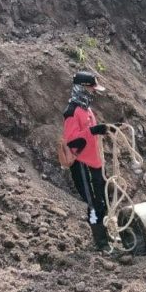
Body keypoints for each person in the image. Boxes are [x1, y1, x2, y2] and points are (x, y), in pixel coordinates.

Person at [62, 71, 112, 252]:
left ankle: (105, 235)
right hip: (83, 165)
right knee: (93, 205)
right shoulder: (72, 112)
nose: (94, 92)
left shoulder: (86, 109)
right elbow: (72, 142)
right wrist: (92, 132)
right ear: (82, 88)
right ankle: (101, 242)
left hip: (95, 163)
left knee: (104, 199)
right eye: (92, 88)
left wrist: (102, 130)